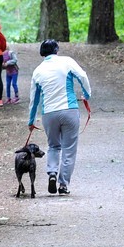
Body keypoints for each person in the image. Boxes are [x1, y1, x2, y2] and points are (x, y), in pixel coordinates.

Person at [28, 39, 92, 195]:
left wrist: (31, 121)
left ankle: (52, 173)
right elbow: (82, 76)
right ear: (57, 50)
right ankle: (63, 184)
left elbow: (34, 100)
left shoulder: (37, 71)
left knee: (53, 146)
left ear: (42, 53)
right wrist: (87, 94)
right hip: (69, 110)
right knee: (69, 149)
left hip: (49, 113)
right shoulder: (67, 62)